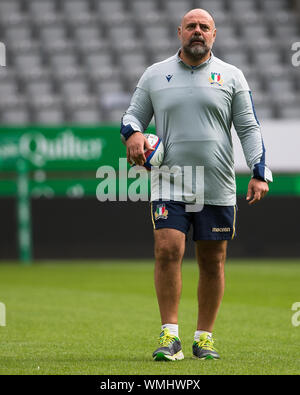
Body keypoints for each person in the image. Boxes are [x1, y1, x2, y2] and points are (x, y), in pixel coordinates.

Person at [120, 9, 272, 361]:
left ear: (214, 35)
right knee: (168, 249)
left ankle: (204, 338)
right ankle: (169, 336)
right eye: (191, 26)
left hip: (216, 184)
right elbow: (132, 114)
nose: (198, 31)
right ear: (180, 32)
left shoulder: (232, 76)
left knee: (213, 261)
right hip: (169, 182)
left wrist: (259, 171)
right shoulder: (155, 74)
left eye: (204, 27)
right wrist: (134, 134)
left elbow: (248, 127)